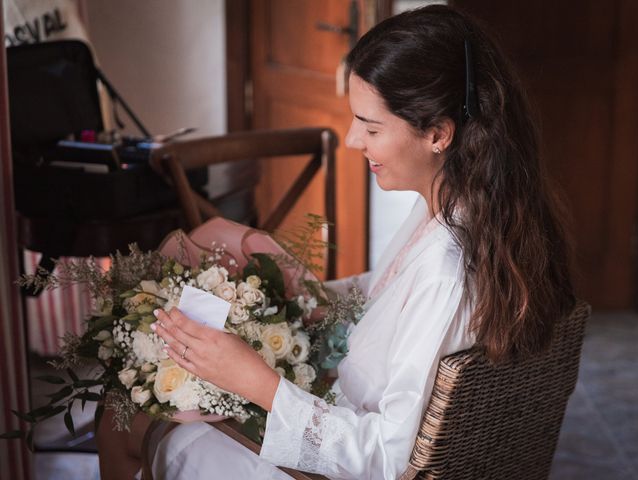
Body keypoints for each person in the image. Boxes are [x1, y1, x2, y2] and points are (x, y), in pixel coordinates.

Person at [100, 5, 575, 479]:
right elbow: (389, 302)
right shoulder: (462, 212)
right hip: (336, 422)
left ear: (437, 133)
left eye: (371, 127)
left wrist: (255, 381)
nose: (352, 140)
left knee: (131, 426)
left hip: (345, 464)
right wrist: (290, 275)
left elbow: (390, 458)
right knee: (130, 417)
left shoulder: (447, 269)